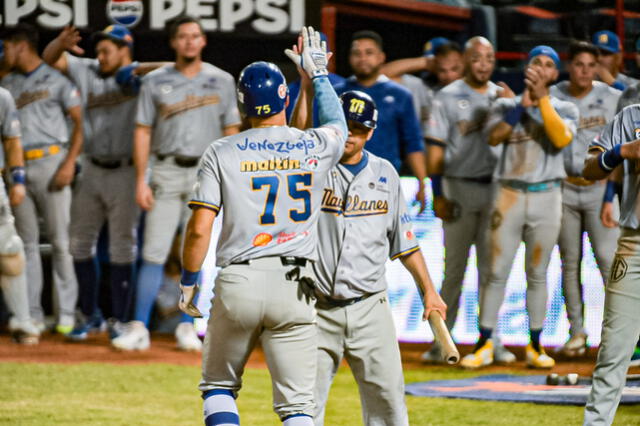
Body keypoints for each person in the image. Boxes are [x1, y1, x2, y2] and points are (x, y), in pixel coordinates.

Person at [178, 27, 347, 425]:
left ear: (241, 104)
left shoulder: (221, 150)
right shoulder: (312, 144)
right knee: (298, 408)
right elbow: (337, 123)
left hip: (240, 280)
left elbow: (200, 228)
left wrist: (189, 280)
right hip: (297, 283)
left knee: (219, 387)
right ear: (284, 98)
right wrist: (319, 76)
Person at [292, 85, 447, 424]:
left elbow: (406, 243)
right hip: (315, 309)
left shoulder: (385, 173)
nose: (351, 135)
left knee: (389, 407)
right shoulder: (311, 166)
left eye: (359, 128)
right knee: (303, 407)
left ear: (371, 131)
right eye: (345, 125)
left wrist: (429, 292)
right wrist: (307, 85)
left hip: (369, 308)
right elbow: (296, 138)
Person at [112, 16, 241, 351]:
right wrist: (142, 179)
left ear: (203, 41)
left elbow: (231, 133)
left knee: (194, 254)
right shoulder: (155, 81)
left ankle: (187, 325)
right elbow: (142, 130)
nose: (189, 41)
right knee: (154, 252)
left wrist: (231, 180)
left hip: (206, 172)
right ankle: (139, 326)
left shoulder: (222, 79)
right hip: (166, 170)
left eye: (195, 36)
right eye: (182, 36)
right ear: (173, 42)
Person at [461, 46, 578, 369]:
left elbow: (561, 139)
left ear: (555, 74)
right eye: (536, 62)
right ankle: (484, 342)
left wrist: (539, 101)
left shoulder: (565, 107)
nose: (541, 68)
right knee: (495, 273)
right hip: (509, 194)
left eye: (548, 65)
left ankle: (536, 345)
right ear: (527, 68)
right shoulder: (504, 104)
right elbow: (495, 137)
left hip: (547, 195)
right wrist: (520, 108)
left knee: (538, 274)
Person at [42, 25, 144, 341]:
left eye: (106, 51)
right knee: (79, 244)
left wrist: (137, 69)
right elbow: (49, 60)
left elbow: (174, 69)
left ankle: (120, 320)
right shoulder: (88, 70)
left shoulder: (142, 76)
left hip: (126, 170)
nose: (99, 56)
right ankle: (91, 315)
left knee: (122, 248)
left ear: (124, 50)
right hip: (92, 169)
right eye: (98, 50)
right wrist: (59, 43)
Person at [420, 37, 516, 364]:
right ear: (465, 60)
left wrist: (514, 106)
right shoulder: (446, 97)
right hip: (459, 186)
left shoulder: (503, 97)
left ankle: (491, 340)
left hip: (495, 189)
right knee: (454, 270)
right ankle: (441, 342)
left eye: (489, 58)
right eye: (477, 58)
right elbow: (434, 151)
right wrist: (438, 193)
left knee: (493, 270)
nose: (483, 64)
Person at [0, 23, 83, 335]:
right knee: (26, 245)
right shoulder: (7, 84)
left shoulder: (56, 79)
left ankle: (66, 317)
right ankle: (31, 315)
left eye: (7, 45)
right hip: (18, 167)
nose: (4, 52)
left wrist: (69, 162)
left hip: (52, 160)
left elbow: (79, 122)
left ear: (21, 45)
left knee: (61, 243)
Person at [549, 40, 621, 357]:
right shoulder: (554, 97)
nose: (585, 71)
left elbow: (621, 150)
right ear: (569, 66)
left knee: (609, 262)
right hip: (564, 187)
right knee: (569, 264)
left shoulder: (612, 97)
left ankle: (618, 335)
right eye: (579, 64)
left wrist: (610, 196)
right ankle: (576, 332)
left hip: (599, 189)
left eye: (591, 66)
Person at [581, 104, 640, 425]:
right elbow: (589, 167)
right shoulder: (632, 116)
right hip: (635, 244)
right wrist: (623, 151)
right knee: (614, 352)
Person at [335, 30, 428, 212]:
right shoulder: (336, 93)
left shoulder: (401, 95)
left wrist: (422, 183)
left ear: (381, 57)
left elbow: (413, 142)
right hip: (340, 182)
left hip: (384, 183)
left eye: (369, 53)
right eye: (357, 53)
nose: (362, 58)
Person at [0, 40, 39, 344]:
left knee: (11, 252)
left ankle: (23, 321)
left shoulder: (3, 97)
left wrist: (19, 180)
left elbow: (12, 141)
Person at [284, 31, 345, 126]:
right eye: (305, 51)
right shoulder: (288, 91)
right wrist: (306, 80)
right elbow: (296, 134)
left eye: (315, 53)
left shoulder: (342, 86)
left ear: (327, 54)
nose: (309, 58)